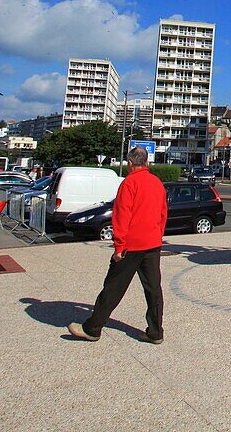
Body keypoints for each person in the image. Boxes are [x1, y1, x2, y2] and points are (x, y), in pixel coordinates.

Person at [69, 147, 168, 344]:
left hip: (131, 244)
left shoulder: (129, 183)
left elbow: (122, 216)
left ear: (130, 163)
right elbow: (163, 213)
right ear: (146, 162)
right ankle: (155, 331)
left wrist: (119, 245)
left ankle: (93, 328)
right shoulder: (157, 183)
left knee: (113, 287)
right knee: (153, 288)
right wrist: (157, 235)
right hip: (152, 242)